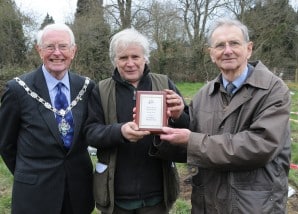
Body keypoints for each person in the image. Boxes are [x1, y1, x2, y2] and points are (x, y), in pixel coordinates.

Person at [157, 18, 291, 213]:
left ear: (249, 49)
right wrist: (169, 123)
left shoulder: (273, 90)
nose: (227, 50)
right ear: (211, 54)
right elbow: (193, 147)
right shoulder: (204, 94)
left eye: (234, 43)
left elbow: (260, 146)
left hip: (254, 206)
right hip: (207, 204)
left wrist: (191, 140)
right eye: (220, 45)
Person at [84, 28, 189, 214]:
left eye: (135, 56)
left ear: (145, 58)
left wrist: (179, 114)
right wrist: (120, 132)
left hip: (157, 192)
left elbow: (190, 127)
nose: (130, 63)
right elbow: (91, 133)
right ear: (115, 60)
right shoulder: (101, 89)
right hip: (116, 195)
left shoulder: (164, 84)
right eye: (123, 58)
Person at [0, 23, 95, 214]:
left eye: (63, 47)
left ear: (73, 51)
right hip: (34, 195)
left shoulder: (87, 87)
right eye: (50, 47)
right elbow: (5, 144)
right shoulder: (17, 89)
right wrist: (29, 173)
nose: (57, 53)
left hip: (78, 193)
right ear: (39, 50)